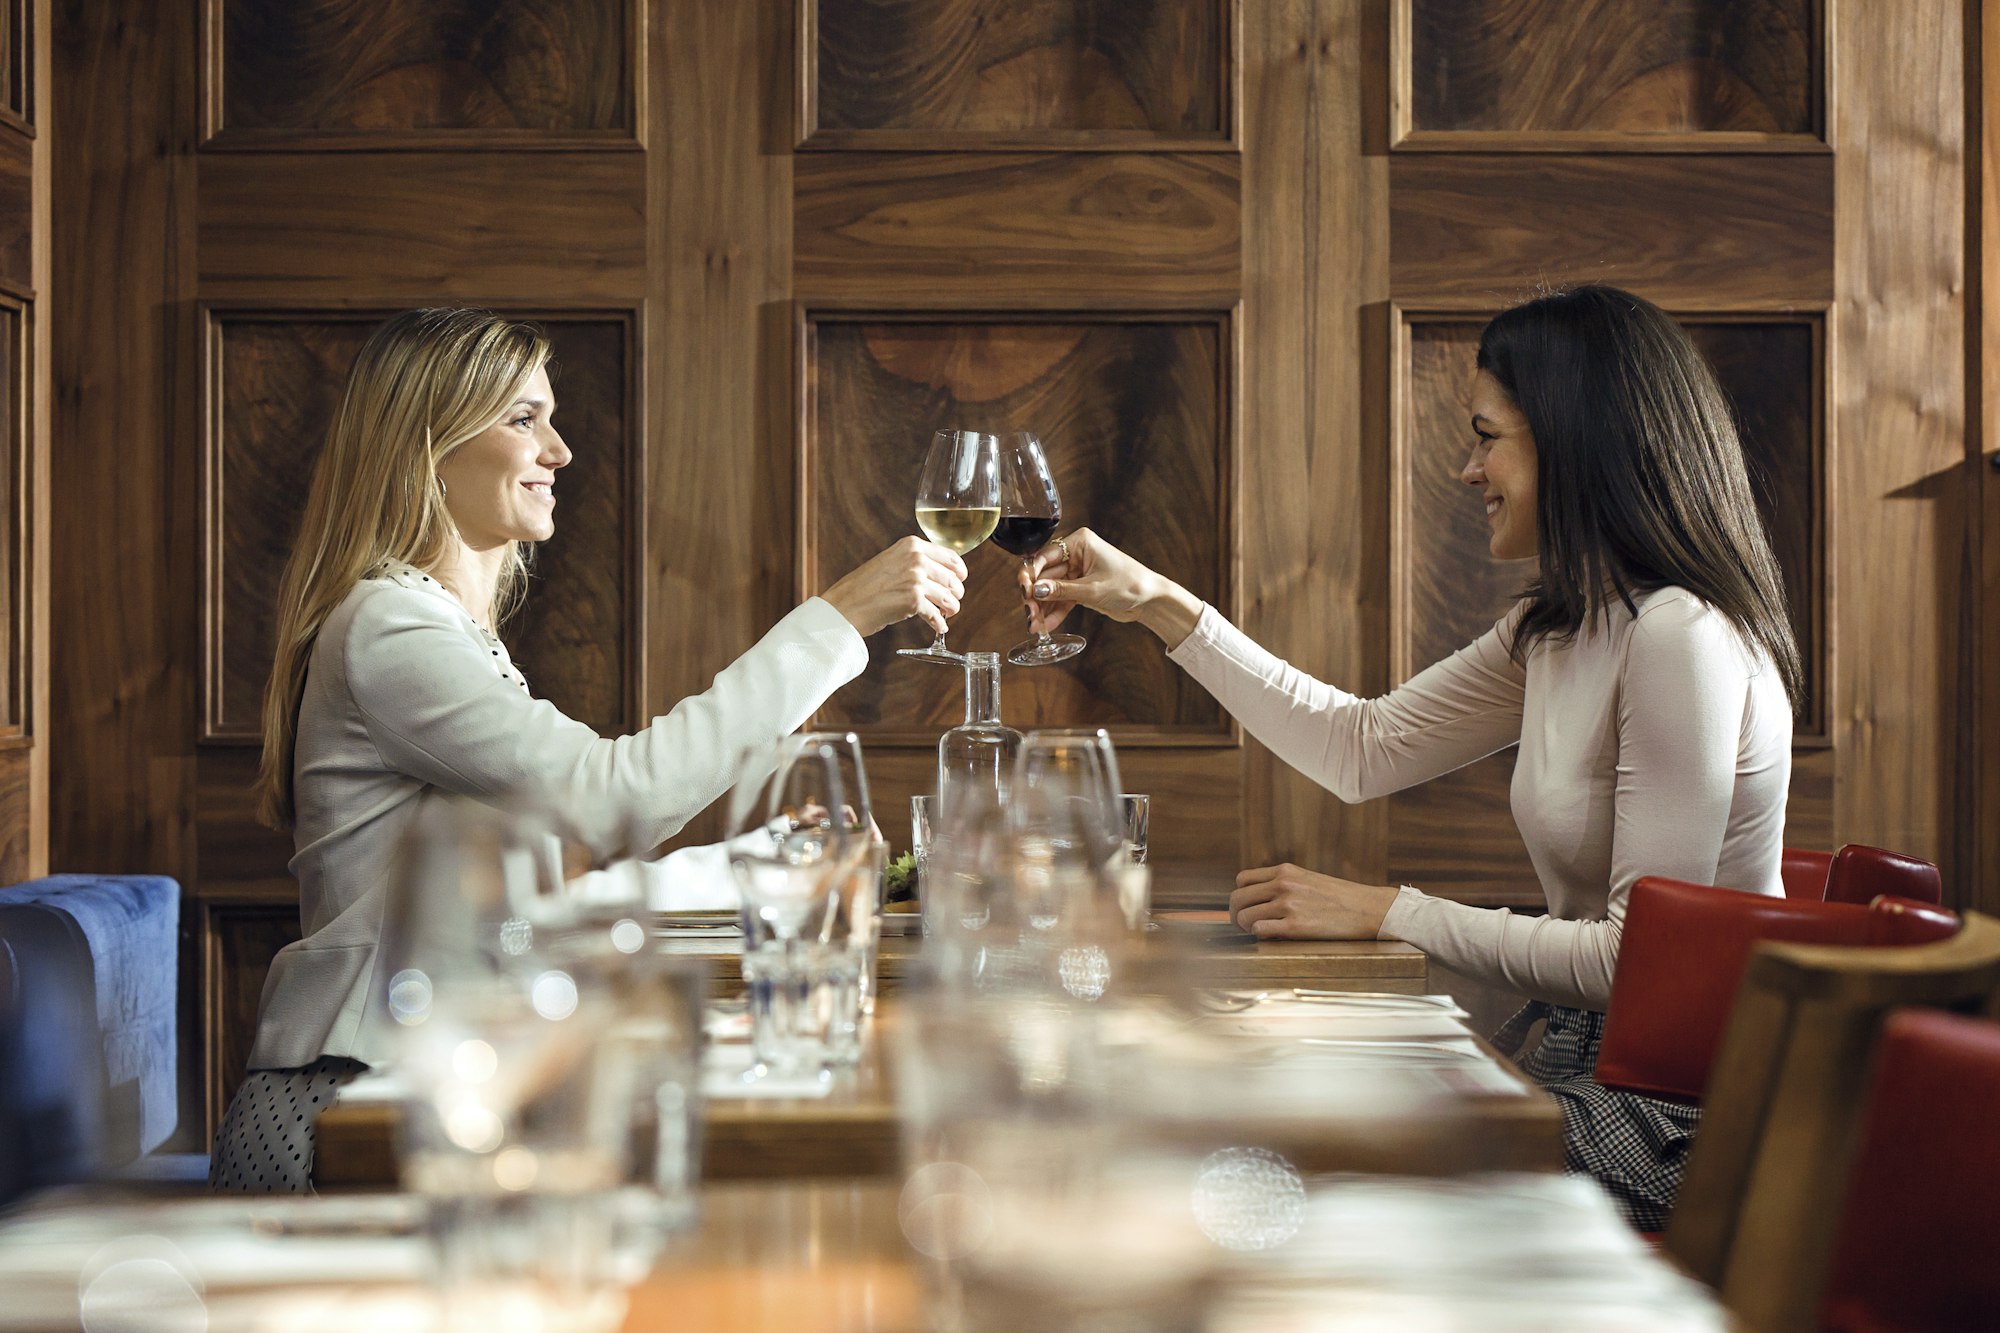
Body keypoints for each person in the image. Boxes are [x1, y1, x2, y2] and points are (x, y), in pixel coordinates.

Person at [1022, 285, 1799, 1228]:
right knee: (1245, 1108)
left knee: (1277, 1161)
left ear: (1577, 440)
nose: (1467, 469)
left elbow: (1637, 962)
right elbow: (1360, 745)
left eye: (1488, 435)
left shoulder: (1680, 636)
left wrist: (1390, 910)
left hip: (1666, 1120)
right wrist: (1151, 601)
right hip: (1571, 1065)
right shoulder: (1558, 629)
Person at [211, 307, 968, 1192]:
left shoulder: (438, 633)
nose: (560, 449)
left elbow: (551, 895)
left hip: (421, 1093)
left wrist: (767, 867)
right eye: (523, 418)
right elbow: (618, 797)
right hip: (344, 1114)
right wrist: (840, 618)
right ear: (429, 447)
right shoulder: (390, 626)